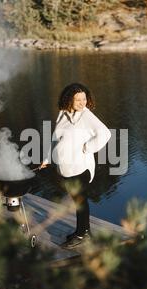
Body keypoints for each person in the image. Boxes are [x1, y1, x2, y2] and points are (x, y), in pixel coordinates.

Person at [38, 83, 111, 249]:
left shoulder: (86, 116)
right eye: (77, 99)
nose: (82, 102)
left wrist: (88, 147)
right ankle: (84, 231)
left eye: (84, 98)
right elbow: (56, 139)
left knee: (80, 200)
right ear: (69, 99)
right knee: (77, 200)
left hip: (81, 168)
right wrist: (48, 158)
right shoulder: (63, 114)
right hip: (67, 169)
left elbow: (105, 133)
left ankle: (82, 235)